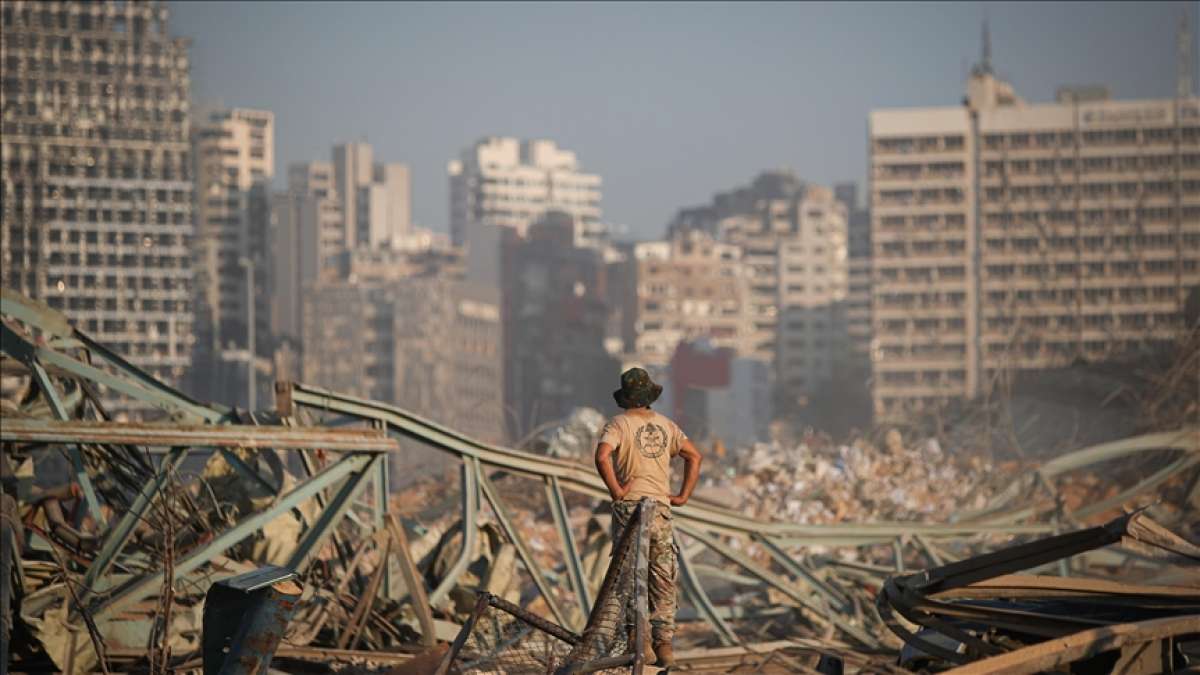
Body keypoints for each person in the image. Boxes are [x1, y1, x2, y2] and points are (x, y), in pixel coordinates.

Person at [594, 367, 702, 667]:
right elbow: (695, 456)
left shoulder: (617, 424)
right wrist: (682, 497)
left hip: (630, 509)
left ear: (626, 398)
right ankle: (664, 644)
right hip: (659, 511)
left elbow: (602, 456)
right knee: (662, 577)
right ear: (649, 398)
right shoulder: (667, 426)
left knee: (628, 575)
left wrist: (616, 488)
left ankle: (636, 641)